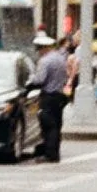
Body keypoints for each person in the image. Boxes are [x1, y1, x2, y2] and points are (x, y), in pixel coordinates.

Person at [30, 32, 71, 162]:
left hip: (49, 96)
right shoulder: (60, 58)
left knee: (48, 126)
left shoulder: (45, 61)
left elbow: (39, 80)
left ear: (44, 48)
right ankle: (55, 152)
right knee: (57, 125)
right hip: (59, 96)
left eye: (39, 49)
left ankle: (50, 154)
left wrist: (30, 81)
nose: (38, 52)